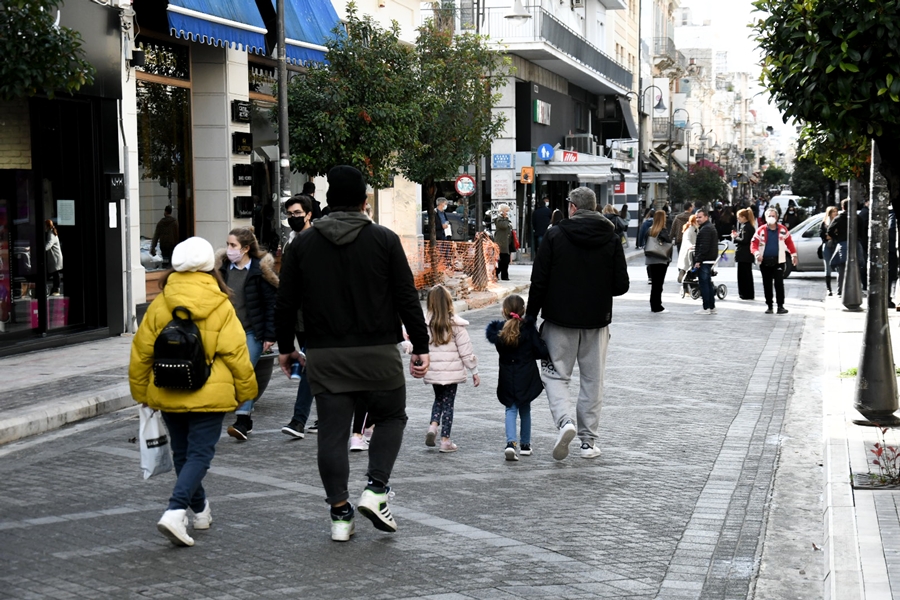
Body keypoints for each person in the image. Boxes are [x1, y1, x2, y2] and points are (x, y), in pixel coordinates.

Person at [274, 165, 430, 542]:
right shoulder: (384, 240)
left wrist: (285, 348)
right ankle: (376, 489)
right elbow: (406, 296)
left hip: (326, 354)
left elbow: (285, 302)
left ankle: (340, 514)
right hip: (379, 352)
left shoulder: (303, 245)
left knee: (331, 433)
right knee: (392, 416)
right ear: (364, 202)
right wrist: (420, 346)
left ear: (326, 203)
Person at [129, 237, 257, 547]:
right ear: (210, 266)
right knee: (199, 455)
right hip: (210, 393)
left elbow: (141, 353)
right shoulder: (221, 303)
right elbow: (237, 355)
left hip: (169, 388)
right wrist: (246, 392)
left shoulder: (160, 304)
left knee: (184, 454)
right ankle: (175, 511)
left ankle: (200, 509)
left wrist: (141, 393)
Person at [525, 186, 629, 461]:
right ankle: (588, 442)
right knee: (593, 380)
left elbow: (539, 281)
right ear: (594, 207)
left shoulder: (555, 235)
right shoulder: (611, 237)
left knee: (555, 375)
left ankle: (564, 422)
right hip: (596, 321)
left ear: (572, 207)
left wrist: (530, 316)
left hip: (559, 320)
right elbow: (621, 285)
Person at [218, 228, 279, 441]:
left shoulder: (260, 272)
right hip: (225, 333)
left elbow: (271, 305)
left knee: (244, 374)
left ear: (245, 248)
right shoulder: (222, 270)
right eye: (228, 244)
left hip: (252, 332)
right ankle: (242, 417)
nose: (229, 249)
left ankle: (242, 421)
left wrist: (270, 335)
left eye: (233, 245)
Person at [486, 294, 549, 461]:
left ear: (504, 312)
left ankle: (510, 444)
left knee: (510, 409)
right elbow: (540, 352)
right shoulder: (528, 330)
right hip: (526, 374)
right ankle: (525, 445)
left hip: (507, 376)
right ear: (523, 311)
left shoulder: (499, 333)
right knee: (525, 408)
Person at [422, 285, 480, 453]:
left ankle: (433, 426)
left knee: (438, 399)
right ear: (448, 302)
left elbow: (417, 344)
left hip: (434, 370)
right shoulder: (456, 325)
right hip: (452, 372)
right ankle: (445, 440)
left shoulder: (427, 324)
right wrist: (474, 371)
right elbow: (466, 351)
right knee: (448, 404)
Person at [280, 195, 317, 439]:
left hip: (315, 314)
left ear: (309, 214)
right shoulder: (290, 243)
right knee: (315, 365)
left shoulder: (316, 242)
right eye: (290, 214)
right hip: (297, 314)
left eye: (297, 213)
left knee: (309, 364)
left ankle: (298, 420)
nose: (293, 218)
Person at [751, 207, 798, 314]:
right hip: (765, 261)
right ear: (766, 217)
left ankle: (780, 306)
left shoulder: (782, 229)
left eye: (773, 216)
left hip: (779, 261)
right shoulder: (761, 230)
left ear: (777, 217)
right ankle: (769, 305)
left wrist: (793, 255)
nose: (771, 218)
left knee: (779, 284)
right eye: (769, 216)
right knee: (767, 284)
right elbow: (753, 244)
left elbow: (789, 242)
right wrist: (757, 254)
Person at [644, 210, 673, 313]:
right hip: (661, 259)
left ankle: (654, 304)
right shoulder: (662, 230)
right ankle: (657, 306)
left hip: (652, 259)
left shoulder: (650, 230)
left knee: (655, 284)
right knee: (659, 284)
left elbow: (645, 241)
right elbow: (668, 243)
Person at [692, 208, 719, 315]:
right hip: (708, 260)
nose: (698, 219)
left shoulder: (706, 229)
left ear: (706, 217)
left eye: (700, 217)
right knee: (707, 283)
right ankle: (711, 306)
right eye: (696, 217)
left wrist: (698, 260)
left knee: (704, 284)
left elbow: (704, 246)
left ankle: (706, 307)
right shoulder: (707, 227)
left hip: (705, 260)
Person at [732, 208, 757, 300]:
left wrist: (735, 238)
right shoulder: (748, 226)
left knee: (743, 275)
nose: (738, 220)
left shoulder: (746, 227)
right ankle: (748, 293)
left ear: (744, 217)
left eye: (739, 218)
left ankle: (745, 293)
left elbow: (744, 240)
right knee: (747, 274)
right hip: (746, 255)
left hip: (744, 254)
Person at [820, 206, 839, 296]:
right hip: (827, 246)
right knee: (827, 267)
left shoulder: (838, 222)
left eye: (836, 211)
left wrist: (831, 235)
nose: (835, 213)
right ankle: (829, 289)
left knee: (839, 267)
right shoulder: (824, 223)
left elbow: (838, 234)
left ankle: (839, 288)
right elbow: (823, 235)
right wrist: (831, 235)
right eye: (833, 212)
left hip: (836, 245)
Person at [677, 214, 699, 282]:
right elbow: (687, 239)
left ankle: (684, 273)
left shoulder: (693, 228)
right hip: (689, 250)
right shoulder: (690, 229)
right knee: (689, 264)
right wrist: (690, 246)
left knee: (686, 265)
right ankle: (685, 274)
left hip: (689, 249)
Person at [44, 219, 63, 296]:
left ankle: (56, 289)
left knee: (55, 273)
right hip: (55, 257)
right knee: (55, 273)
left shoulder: (51, 233)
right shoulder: (51, 232)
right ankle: (55, 289)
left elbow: (49, 244)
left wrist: (43, 249)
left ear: (47, 226)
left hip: (55, 257)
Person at [493, 204, 512, 280]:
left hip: (507, 242)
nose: (508, 213)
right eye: (507, 211)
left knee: (506, 260)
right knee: (503, 260)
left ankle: (505, 275)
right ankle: (496, 273)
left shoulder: (505, 219)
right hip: (501, 242)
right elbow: (503, 226)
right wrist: (506, 218)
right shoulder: (499, 219)